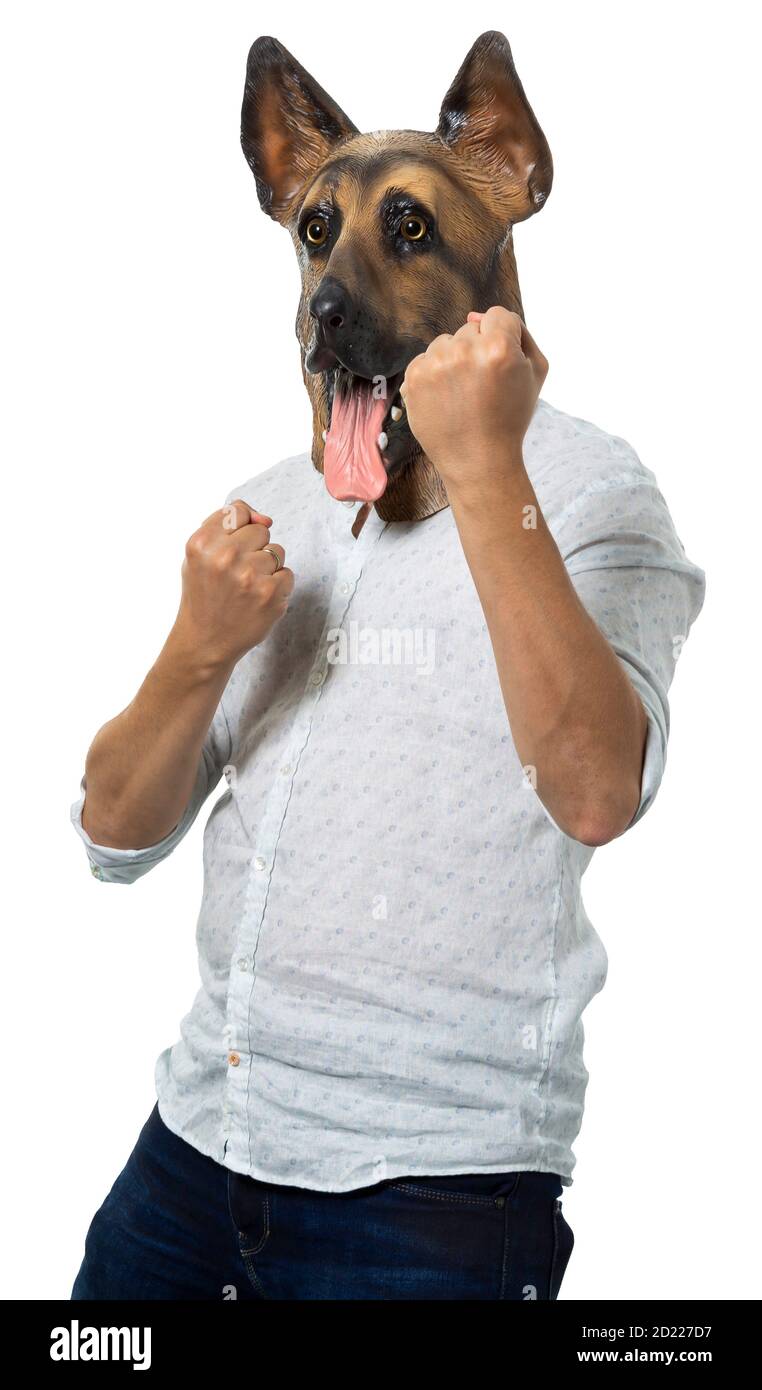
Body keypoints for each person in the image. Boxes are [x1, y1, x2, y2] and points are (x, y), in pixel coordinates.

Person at [70, 307, 705, 1300]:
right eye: (317, 237)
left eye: (402, 231)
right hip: (192, 1155)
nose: (332, 293)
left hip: (432, 1198)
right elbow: (112, 835)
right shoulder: (274, 507)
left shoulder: (591, 492)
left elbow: (594, 792)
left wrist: (486, 463)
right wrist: (197, 648)